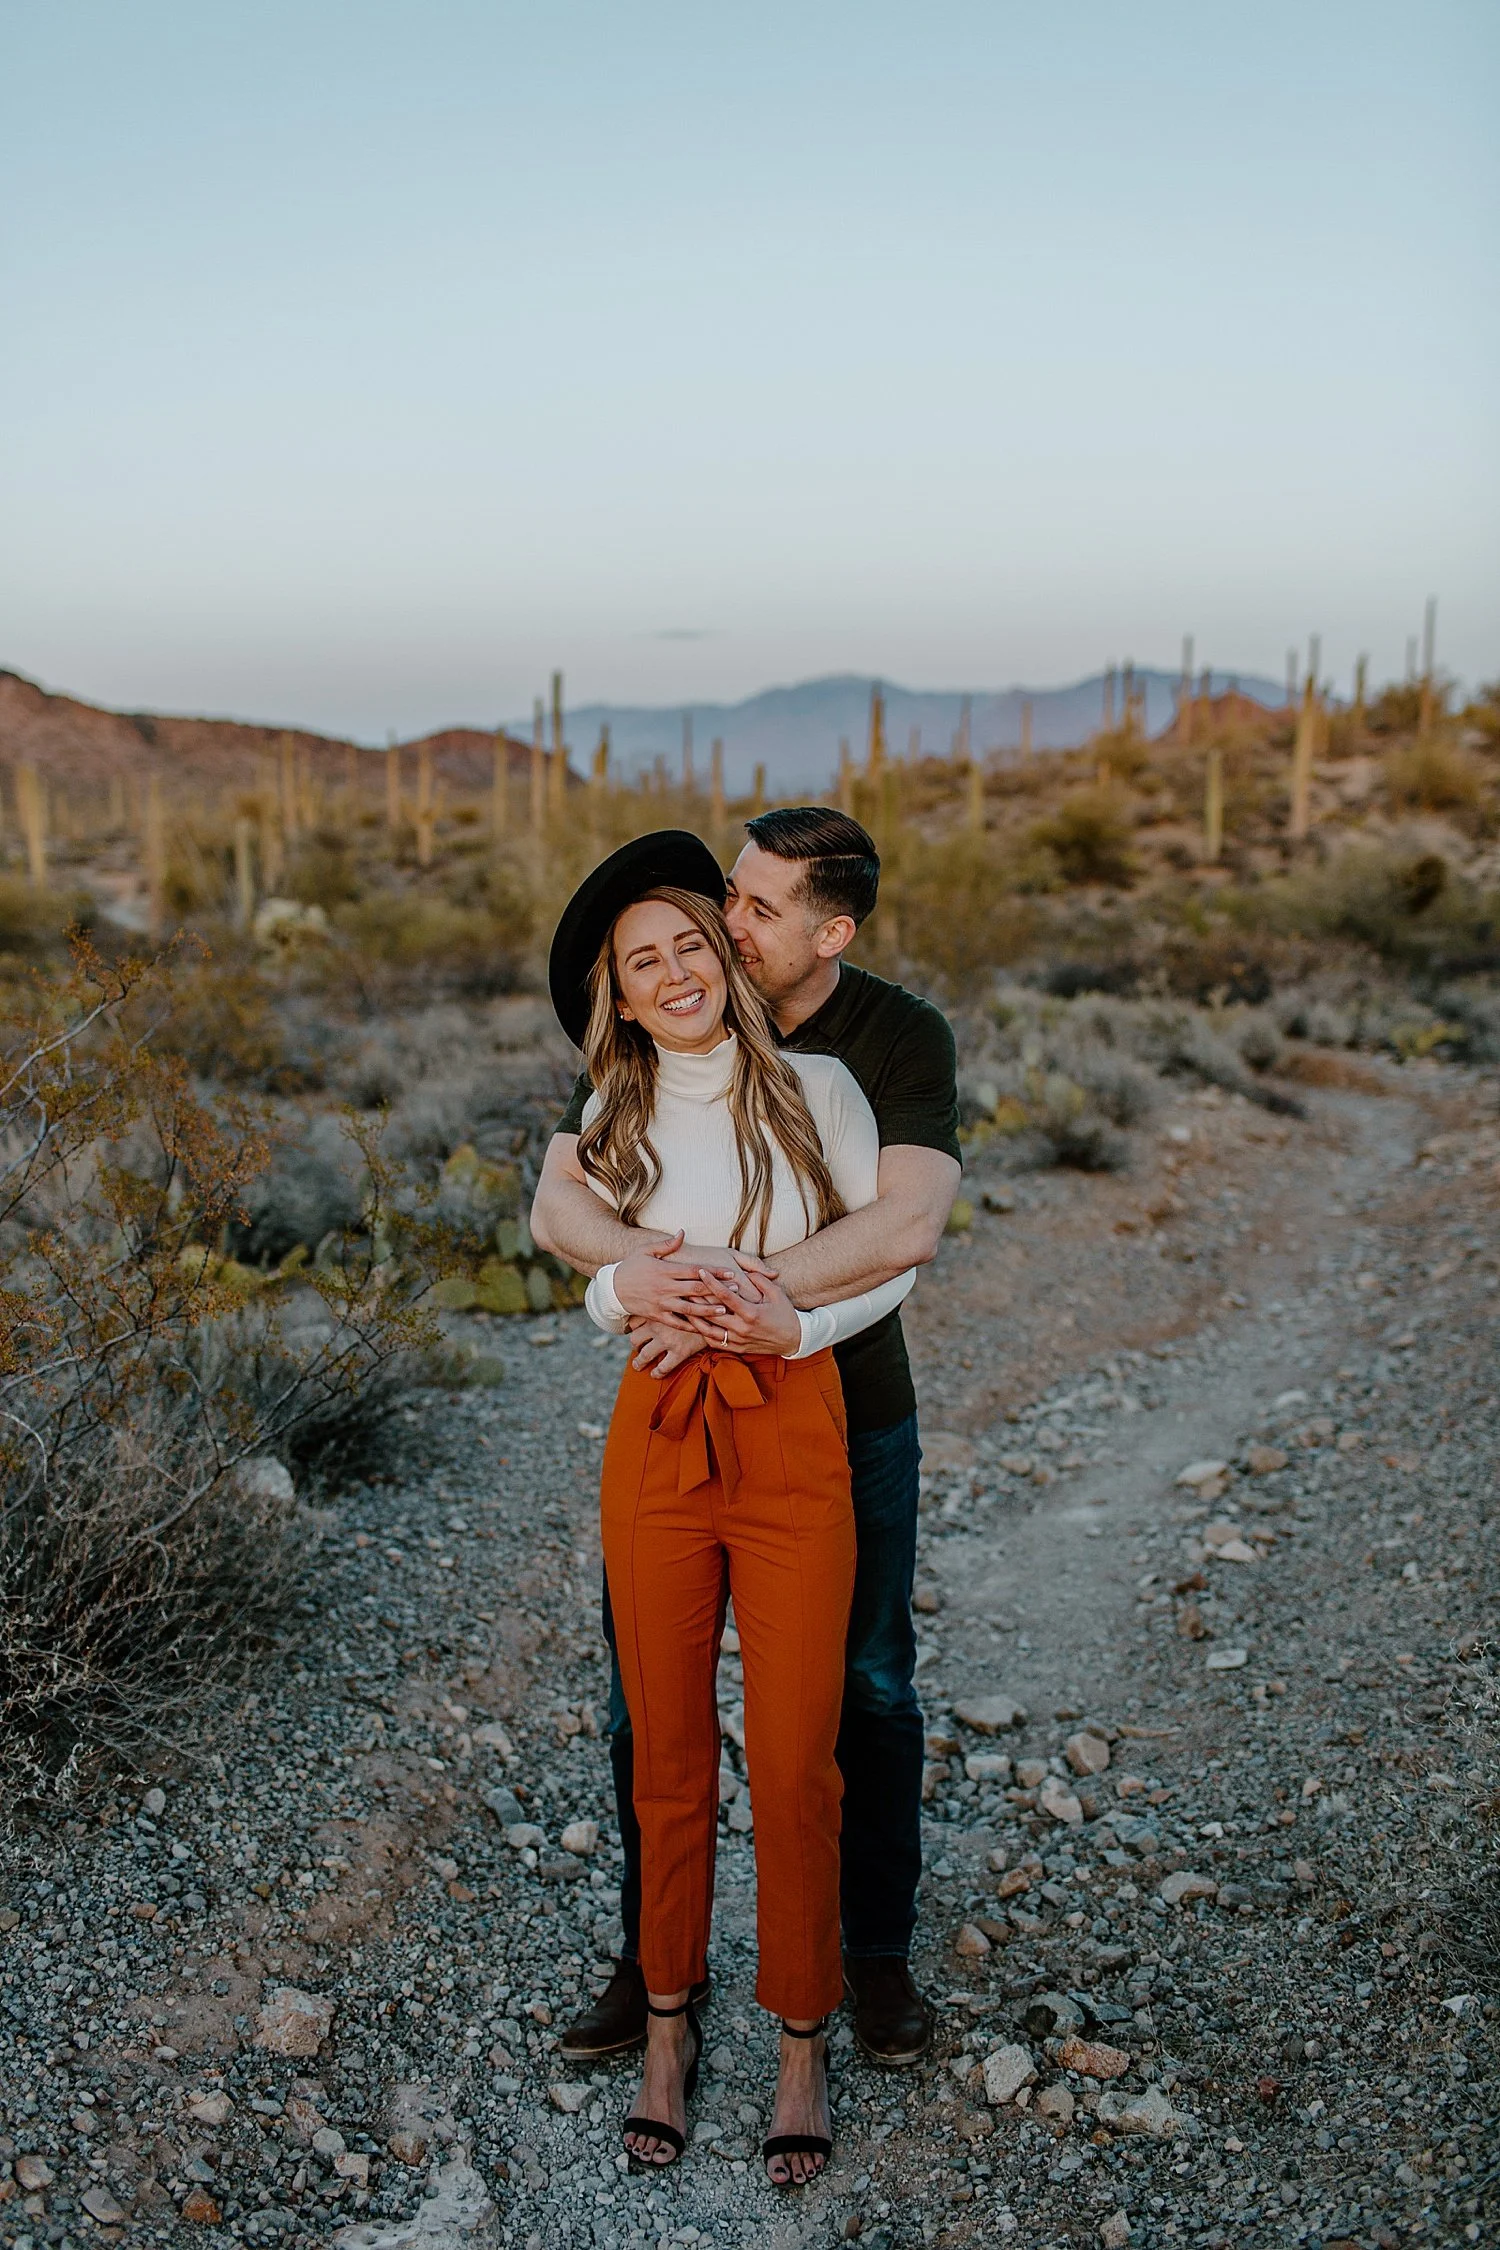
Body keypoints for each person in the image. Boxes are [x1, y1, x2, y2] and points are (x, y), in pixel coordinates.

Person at [533, 809, 962, 2068]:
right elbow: (567, 1195)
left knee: (862, 1688)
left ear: (830, 929)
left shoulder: (886, 1039)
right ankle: (651, 1962)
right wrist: (637, 1280)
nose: (725, 925)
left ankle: (868, 1961)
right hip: (673, 1408)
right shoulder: (666, 999)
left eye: (758, 910)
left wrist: (751, 1303)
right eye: (731, 893)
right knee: (645, 1706)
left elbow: (909, 1222)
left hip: (845, 1407)